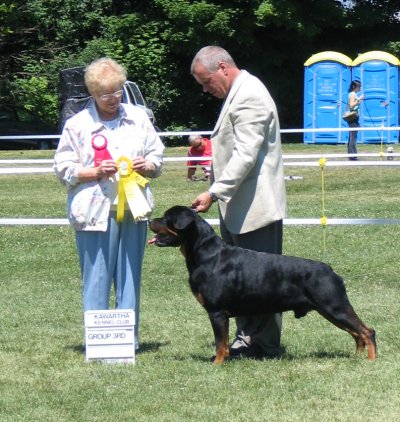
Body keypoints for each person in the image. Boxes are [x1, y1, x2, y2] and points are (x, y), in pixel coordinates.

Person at [53, 57, 164, 351]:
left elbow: (156, 155)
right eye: (105, 94)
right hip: (93, 212)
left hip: (134, 209)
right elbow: (62, 167)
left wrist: (148, 165)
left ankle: (127, 340)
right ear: (93, 93)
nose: (113, 99)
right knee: (96, 278)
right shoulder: (77, 125)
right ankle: (98, 341)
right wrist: (92, 172)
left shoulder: (138, 117)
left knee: (130, 277)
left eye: (117, 91)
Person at [190, 46, 287, 359]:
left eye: (206, 82)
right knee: (242, 280)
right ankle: (247, 340)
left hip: (255, 207)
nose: (205, 90)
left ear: (222, 67)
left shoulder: (249, 95)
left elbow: (245, 154)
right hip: (239, 206)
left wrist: (214, 191)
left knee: (263, 280)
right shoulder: (238, 92)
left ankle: (265, 345)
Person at [346, 80, 364, 160]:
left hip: (354, 118)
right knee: (353, 137)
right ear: (354, 87)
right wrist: (359, 99)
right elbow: (351, 105)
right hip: (352, 118)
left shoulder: (353, 94)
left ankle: (352, 154)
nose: (360, 88)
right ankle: (352, 155)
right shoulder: (353, 94)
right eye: (359, 86)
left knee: (352, 136)